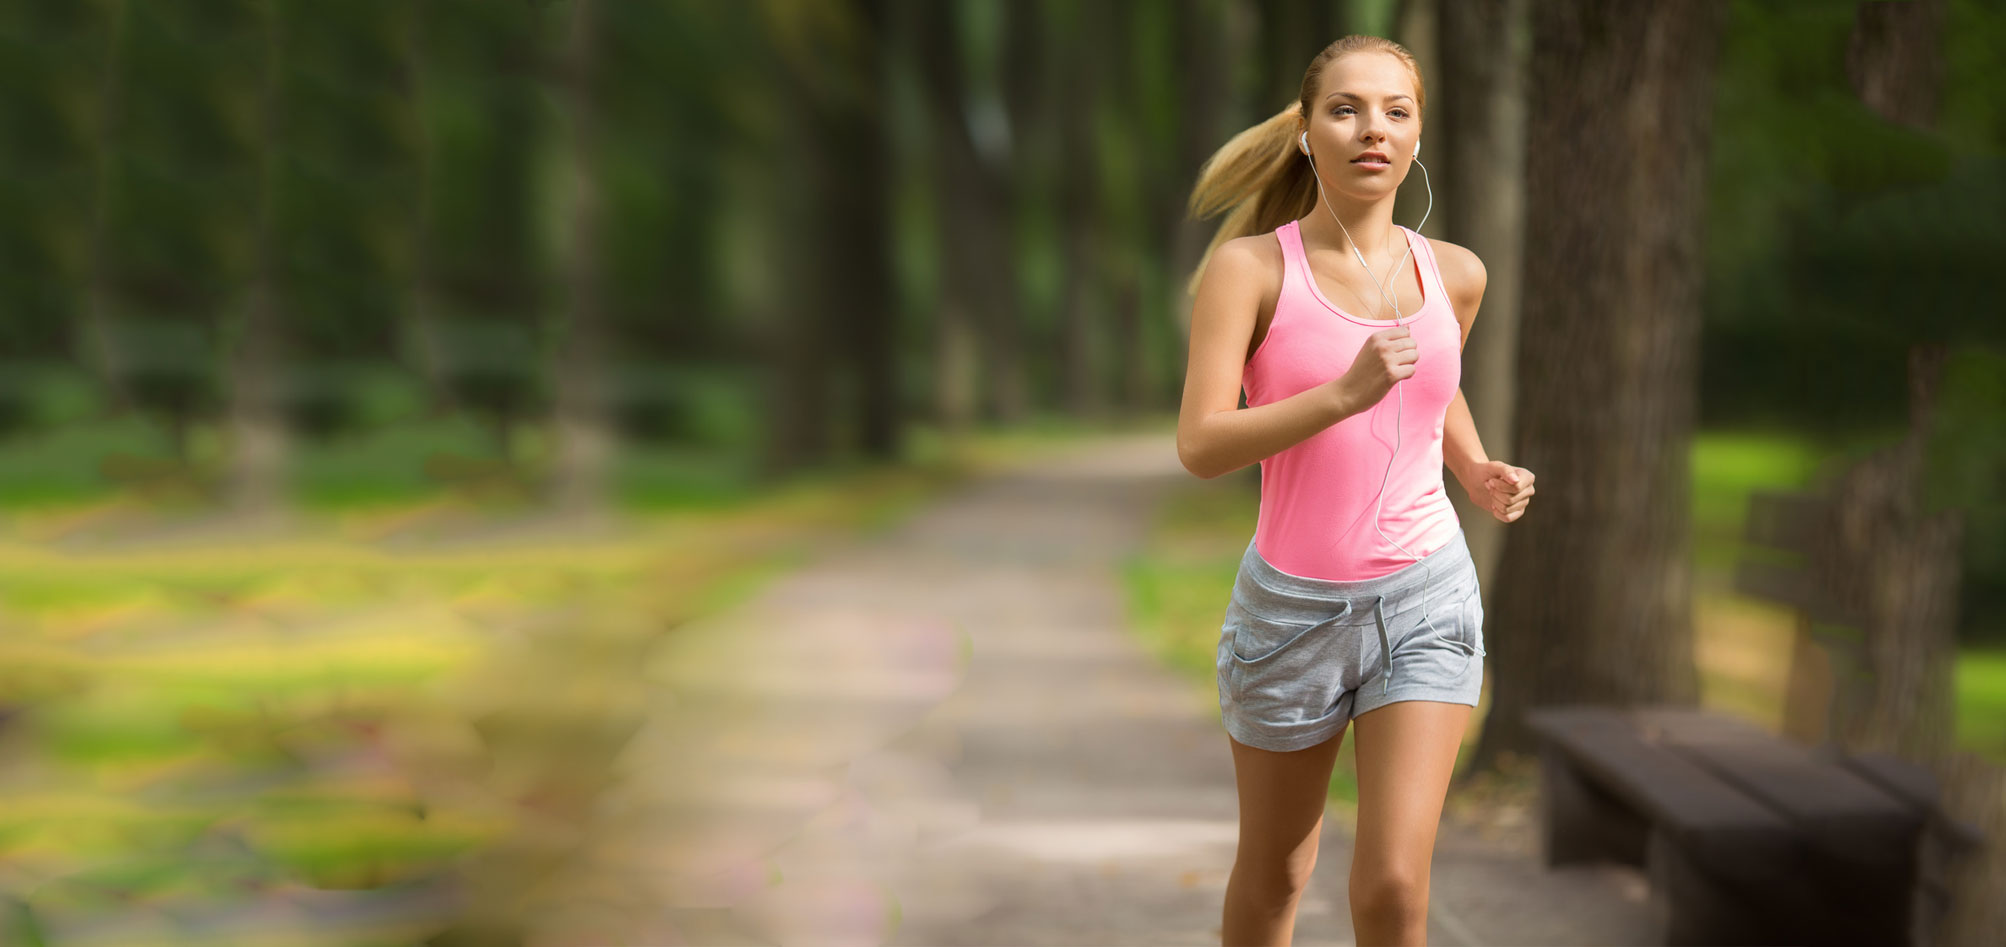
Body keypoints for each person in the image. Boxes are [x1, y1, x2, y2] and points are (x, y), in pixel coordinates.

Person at [1174, 35, 1538, 946]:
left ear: (1418, 133)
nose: (1372, 128)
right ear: (1306, 133)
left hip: (1425, 595)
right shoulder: (1250, 271)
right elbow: (1202, 443)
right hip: (1290, 613)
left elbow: (1434, 377)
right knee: (1275, 876)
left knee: (1389, 889)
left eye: (1395, 110)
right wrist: (1339, 396)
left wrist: (1474, 466)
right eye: (1346, 109)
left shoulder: (1454, 273)